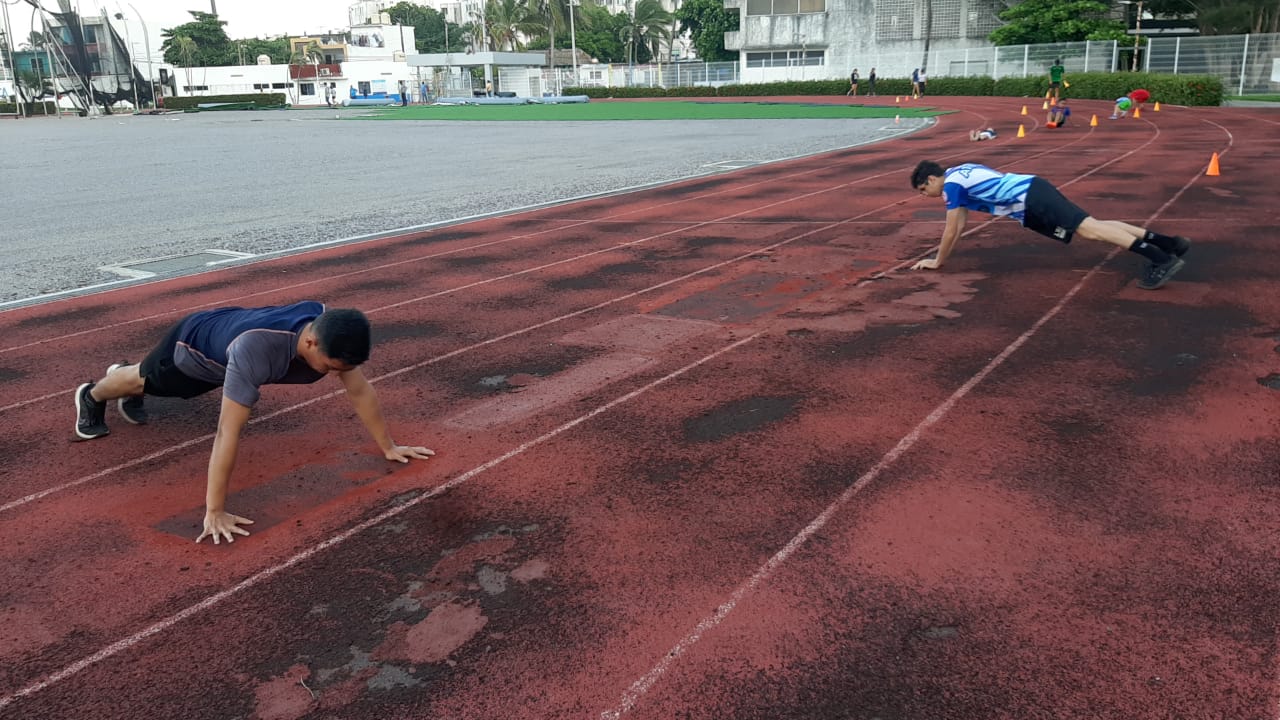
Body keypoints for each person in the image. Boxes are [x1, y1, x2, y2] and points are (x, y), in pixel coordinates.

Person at [73, 302, 436, 544]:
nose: (334, 375)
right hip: (191, 349)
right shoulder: (255, 351)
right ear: (310, 342)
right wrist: (214, 511)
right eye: (330, 367)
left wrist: (388, 446)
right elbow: (227, 432)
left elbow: (360, 391)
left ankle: (122, 378)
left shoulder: (327, 327)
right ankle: (92, 394)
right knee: (145, 380)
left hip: (227, 340)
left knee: (149, 382)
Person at [908, 160, 1191, 290]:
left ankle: (1160, 258)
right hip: (1033, 190)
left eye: (923, 190)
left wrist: (937, 261)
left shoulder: (951, 186)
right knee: (1093, 224)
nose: (926, 195)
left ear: (933, 179)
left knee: (1089, 229)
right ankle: (1168, 243)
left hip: (1031, 198)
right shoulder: (960, 170)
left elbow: (952, 228)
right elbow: (959, 227)